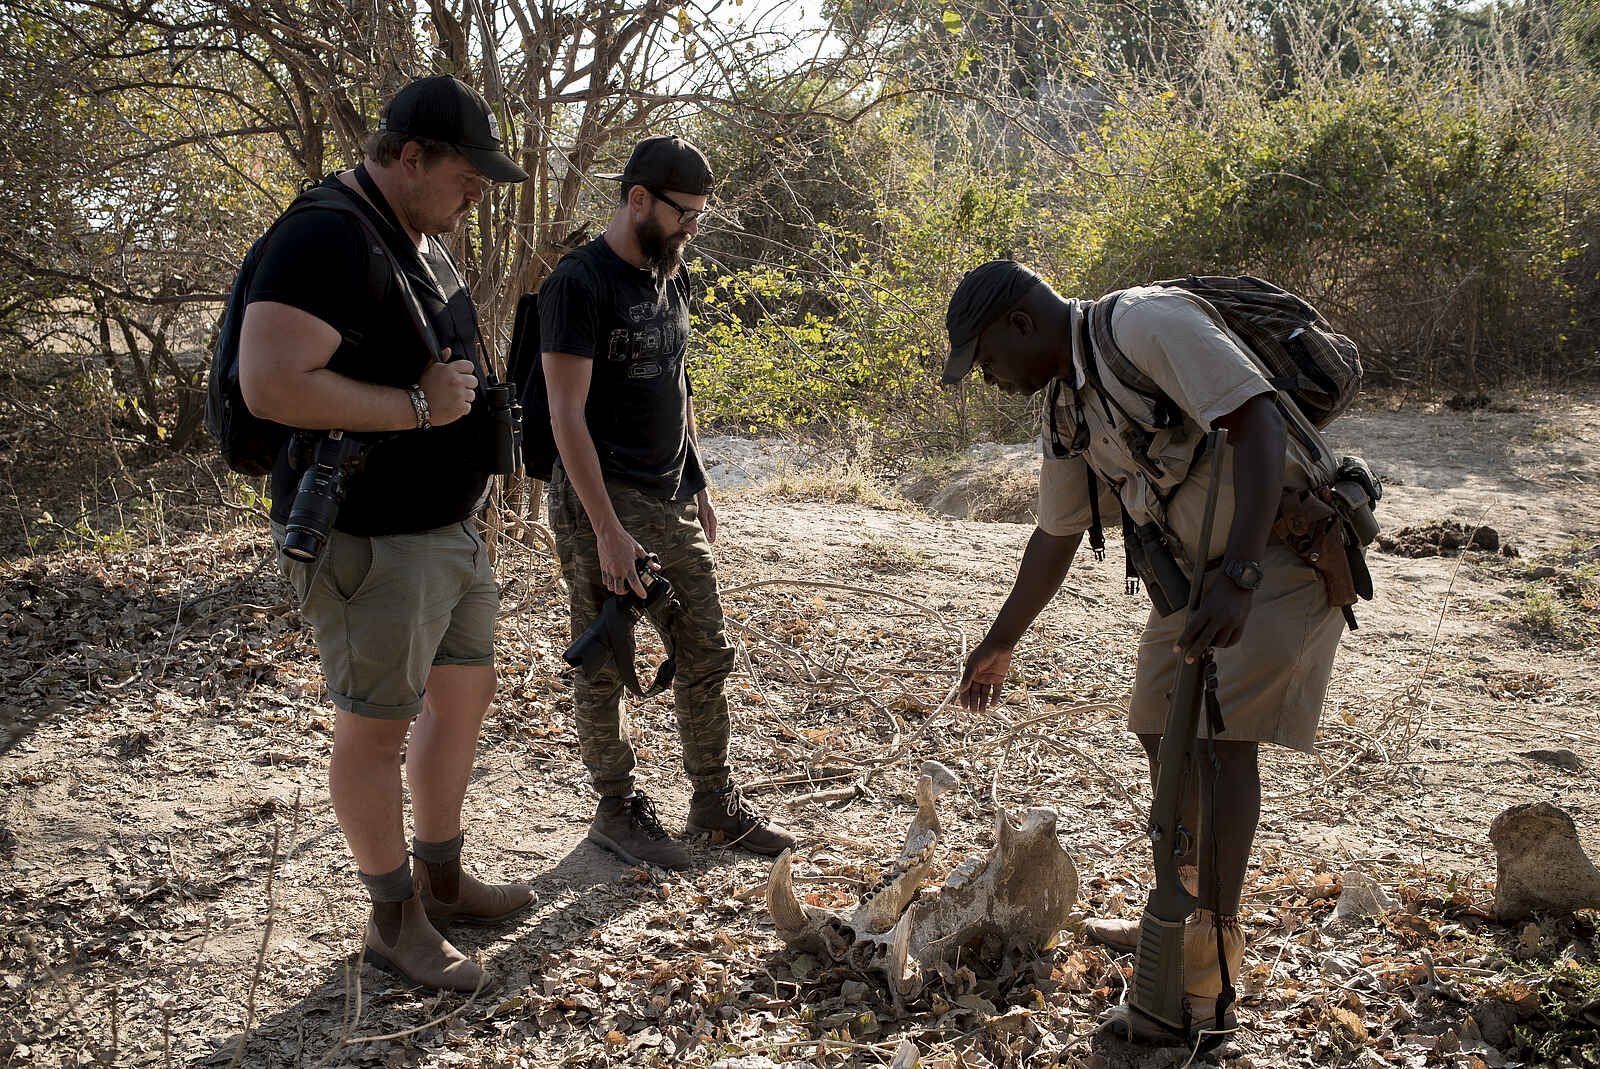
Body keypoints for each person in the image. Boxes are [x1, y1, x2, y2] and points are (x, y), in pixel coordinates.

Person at [940, 261, 1349, 1042]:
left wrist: (1242, 573)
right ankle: (1181, 905)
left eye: (985, 357)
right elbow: (1056, 531)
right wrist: (998, 643)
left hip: (1280, 554)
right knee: (1158, 729)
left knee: (1221, 746)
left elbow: (1256, 420)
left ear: (1021, 323)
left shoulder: (1145, 324)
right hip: (1195, 575)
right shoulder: (1064, 404)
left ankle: (1208, 971)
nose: (987, 377)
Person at [237, 75, 534, 992]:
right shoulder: (322, 233)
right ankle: (392, 918)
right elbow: (270, 382)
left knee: (464, 694)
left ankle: (440, 876)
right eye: (465, 174)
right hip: (372, 539)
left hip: (445, 530)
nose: (476, 192)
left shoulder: (407, 235)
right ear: (410, 158)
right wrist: (413, 407)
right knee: (375, 730)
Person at [539, 135, 795, 870]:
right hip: (601, 495)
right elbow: (564, 416)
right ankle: (616, 807)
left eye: (701, 217)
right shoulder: (578, 284)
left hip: (668, 491)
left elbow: (677, 383)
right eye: (685, 213)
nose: (693, 228)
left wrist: (701, 478)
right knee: (606, 650)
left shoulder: (668, 273)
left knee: (705, 643)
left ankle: (713, 804)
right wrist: (607, 529)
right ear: (638, 199)